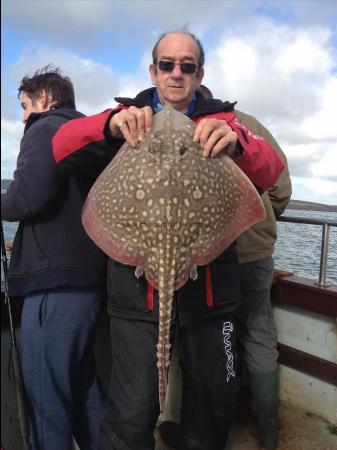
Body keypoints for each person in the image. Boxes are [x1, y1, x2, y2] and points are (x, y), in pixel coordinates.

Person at [52, 31, 285, 450]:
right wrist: (108, 126)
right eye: (167, 64)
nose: (176, 74)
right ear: (153, 70)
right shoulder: (126, 117)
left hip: (211, 289)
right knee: (131, 410)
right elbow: (60, 148)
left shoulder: (227, 123)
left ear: (199, 74)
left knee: (213, 403)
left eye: (187, 66)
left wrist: (239, 144)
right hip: (135, 292)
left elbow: (272, 170)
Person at [159, 87, 292, 450]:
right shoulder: (252, 125)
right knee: (259, 334)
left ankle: (189, 425)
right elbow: (281, 187)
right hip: (259, 250)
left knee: (211, 341)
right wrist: (264, 214)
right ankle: (267, 433)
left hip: (219, 252)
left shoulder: (197, 127)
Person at [1, 66, 107, 450]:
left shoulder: (44, 128)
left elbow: (26, 196)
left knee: (47, 395)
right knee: (81, 386)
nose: (23, 117)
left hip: (54, 285)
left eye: (25, 106)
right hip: (88, 281)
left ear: (44, 99)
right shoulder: (85, 134)